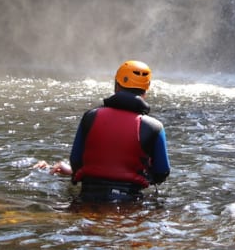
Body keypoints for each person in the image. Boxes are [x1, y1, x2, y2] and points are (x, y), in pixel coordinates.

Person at [67, 60, 170, 202]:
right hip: (130, 200)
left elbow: (75, 160)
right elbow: (162, 172)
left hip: (88, 196)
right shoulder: (154, 127)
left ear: (116, 86)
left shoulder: (90, 116)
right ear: (145, 91)